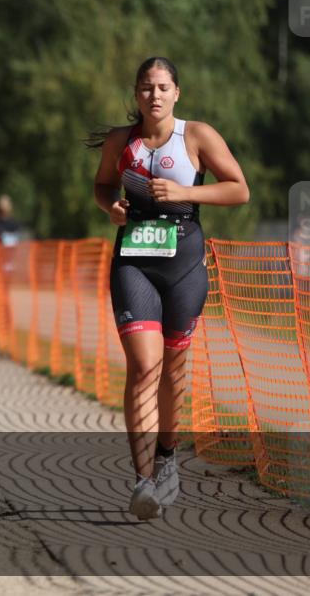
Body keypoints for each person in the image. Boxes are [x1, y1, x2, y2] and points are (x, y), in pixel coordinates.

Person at [91, 57, 249, 520]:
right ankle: (142, 482)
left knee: (173, 371)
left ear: (176, 92)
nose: (154, 95)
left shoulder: (196, 136)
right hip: (134, 261)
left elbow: (239, 189)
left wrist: (186, 194)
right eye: (145, 87)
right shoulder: (123, 142)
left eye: (162, 87)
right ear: (136, 93)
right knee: (143, 365)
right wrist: (111, 208)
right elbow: (102, 185)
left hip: (183, 264)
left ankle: (166, 456)